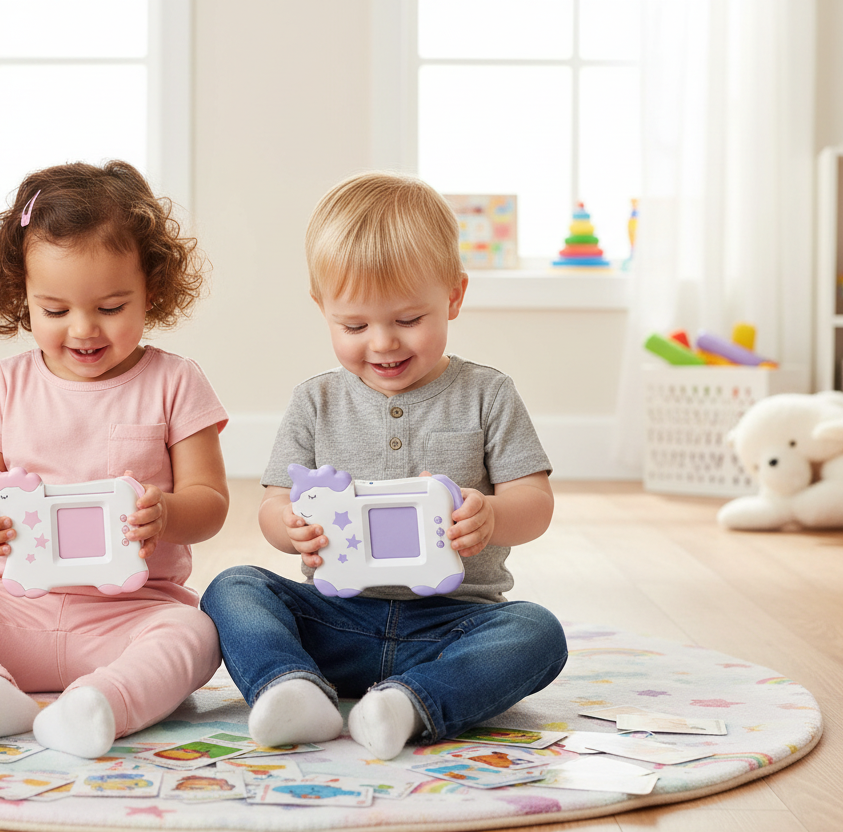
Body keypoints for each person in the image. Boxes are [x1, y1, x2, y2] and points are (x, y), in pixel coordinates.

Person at [200, 171, 568, 760]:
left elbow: (536, 503)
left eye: (408, 320)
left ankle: (408, 704)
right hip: (337, 620)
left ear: (454, 296)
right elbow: (272, 505)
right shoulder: (314, 402)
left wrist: (492, 516)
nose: (383, 343)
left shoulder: (488, 393)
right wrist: (289, 526)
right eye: (354, 326)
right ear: (322, 309)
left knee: (538, 633)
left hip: (453, 625)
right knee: (233, 587)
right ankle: (291, 686)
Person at [0, 160, 229, 758]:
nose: (83, 330)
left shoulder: (175, 382)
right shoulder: (3, 384)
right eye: (55, 311)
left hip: (131, 616)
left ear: (152, 291)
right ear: (22, 297)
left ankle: (102, 703)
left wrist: (166, 513)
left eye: (111, 307)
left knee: (200, 631)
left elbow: (210, 505)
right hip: (19, 610)